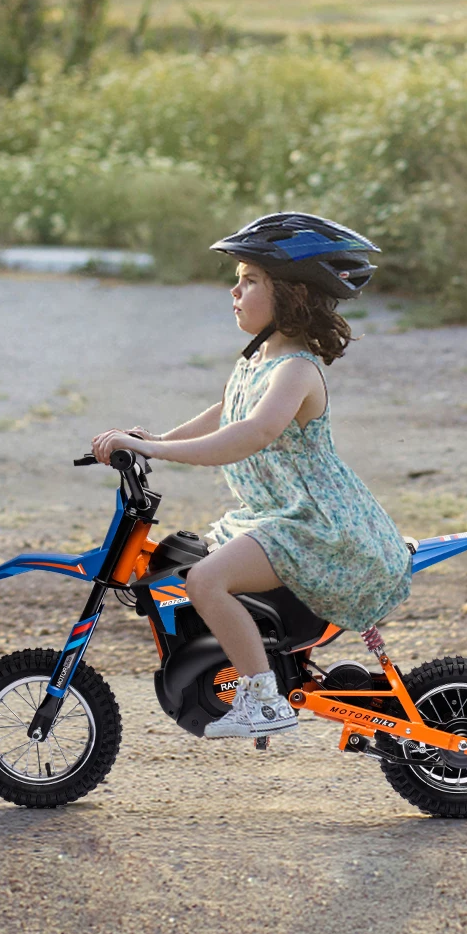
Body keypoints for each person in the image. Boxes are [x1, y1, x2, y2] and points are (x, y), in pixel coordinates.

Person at [90, 212, 412, 739]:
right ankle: (248, 669)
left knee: (206, 579)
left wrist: (162, 452)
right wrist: (152, 442)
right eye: (238, 279)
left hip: (312, 526)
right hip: (273, 517)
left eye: (250, 280)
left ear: (291, 295)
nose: (234, 291)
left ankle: (264, 699)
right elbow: (224, 413)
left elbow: (251, 433)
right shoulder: (258, 361)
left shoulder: (297, 370)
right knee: (184, 558)